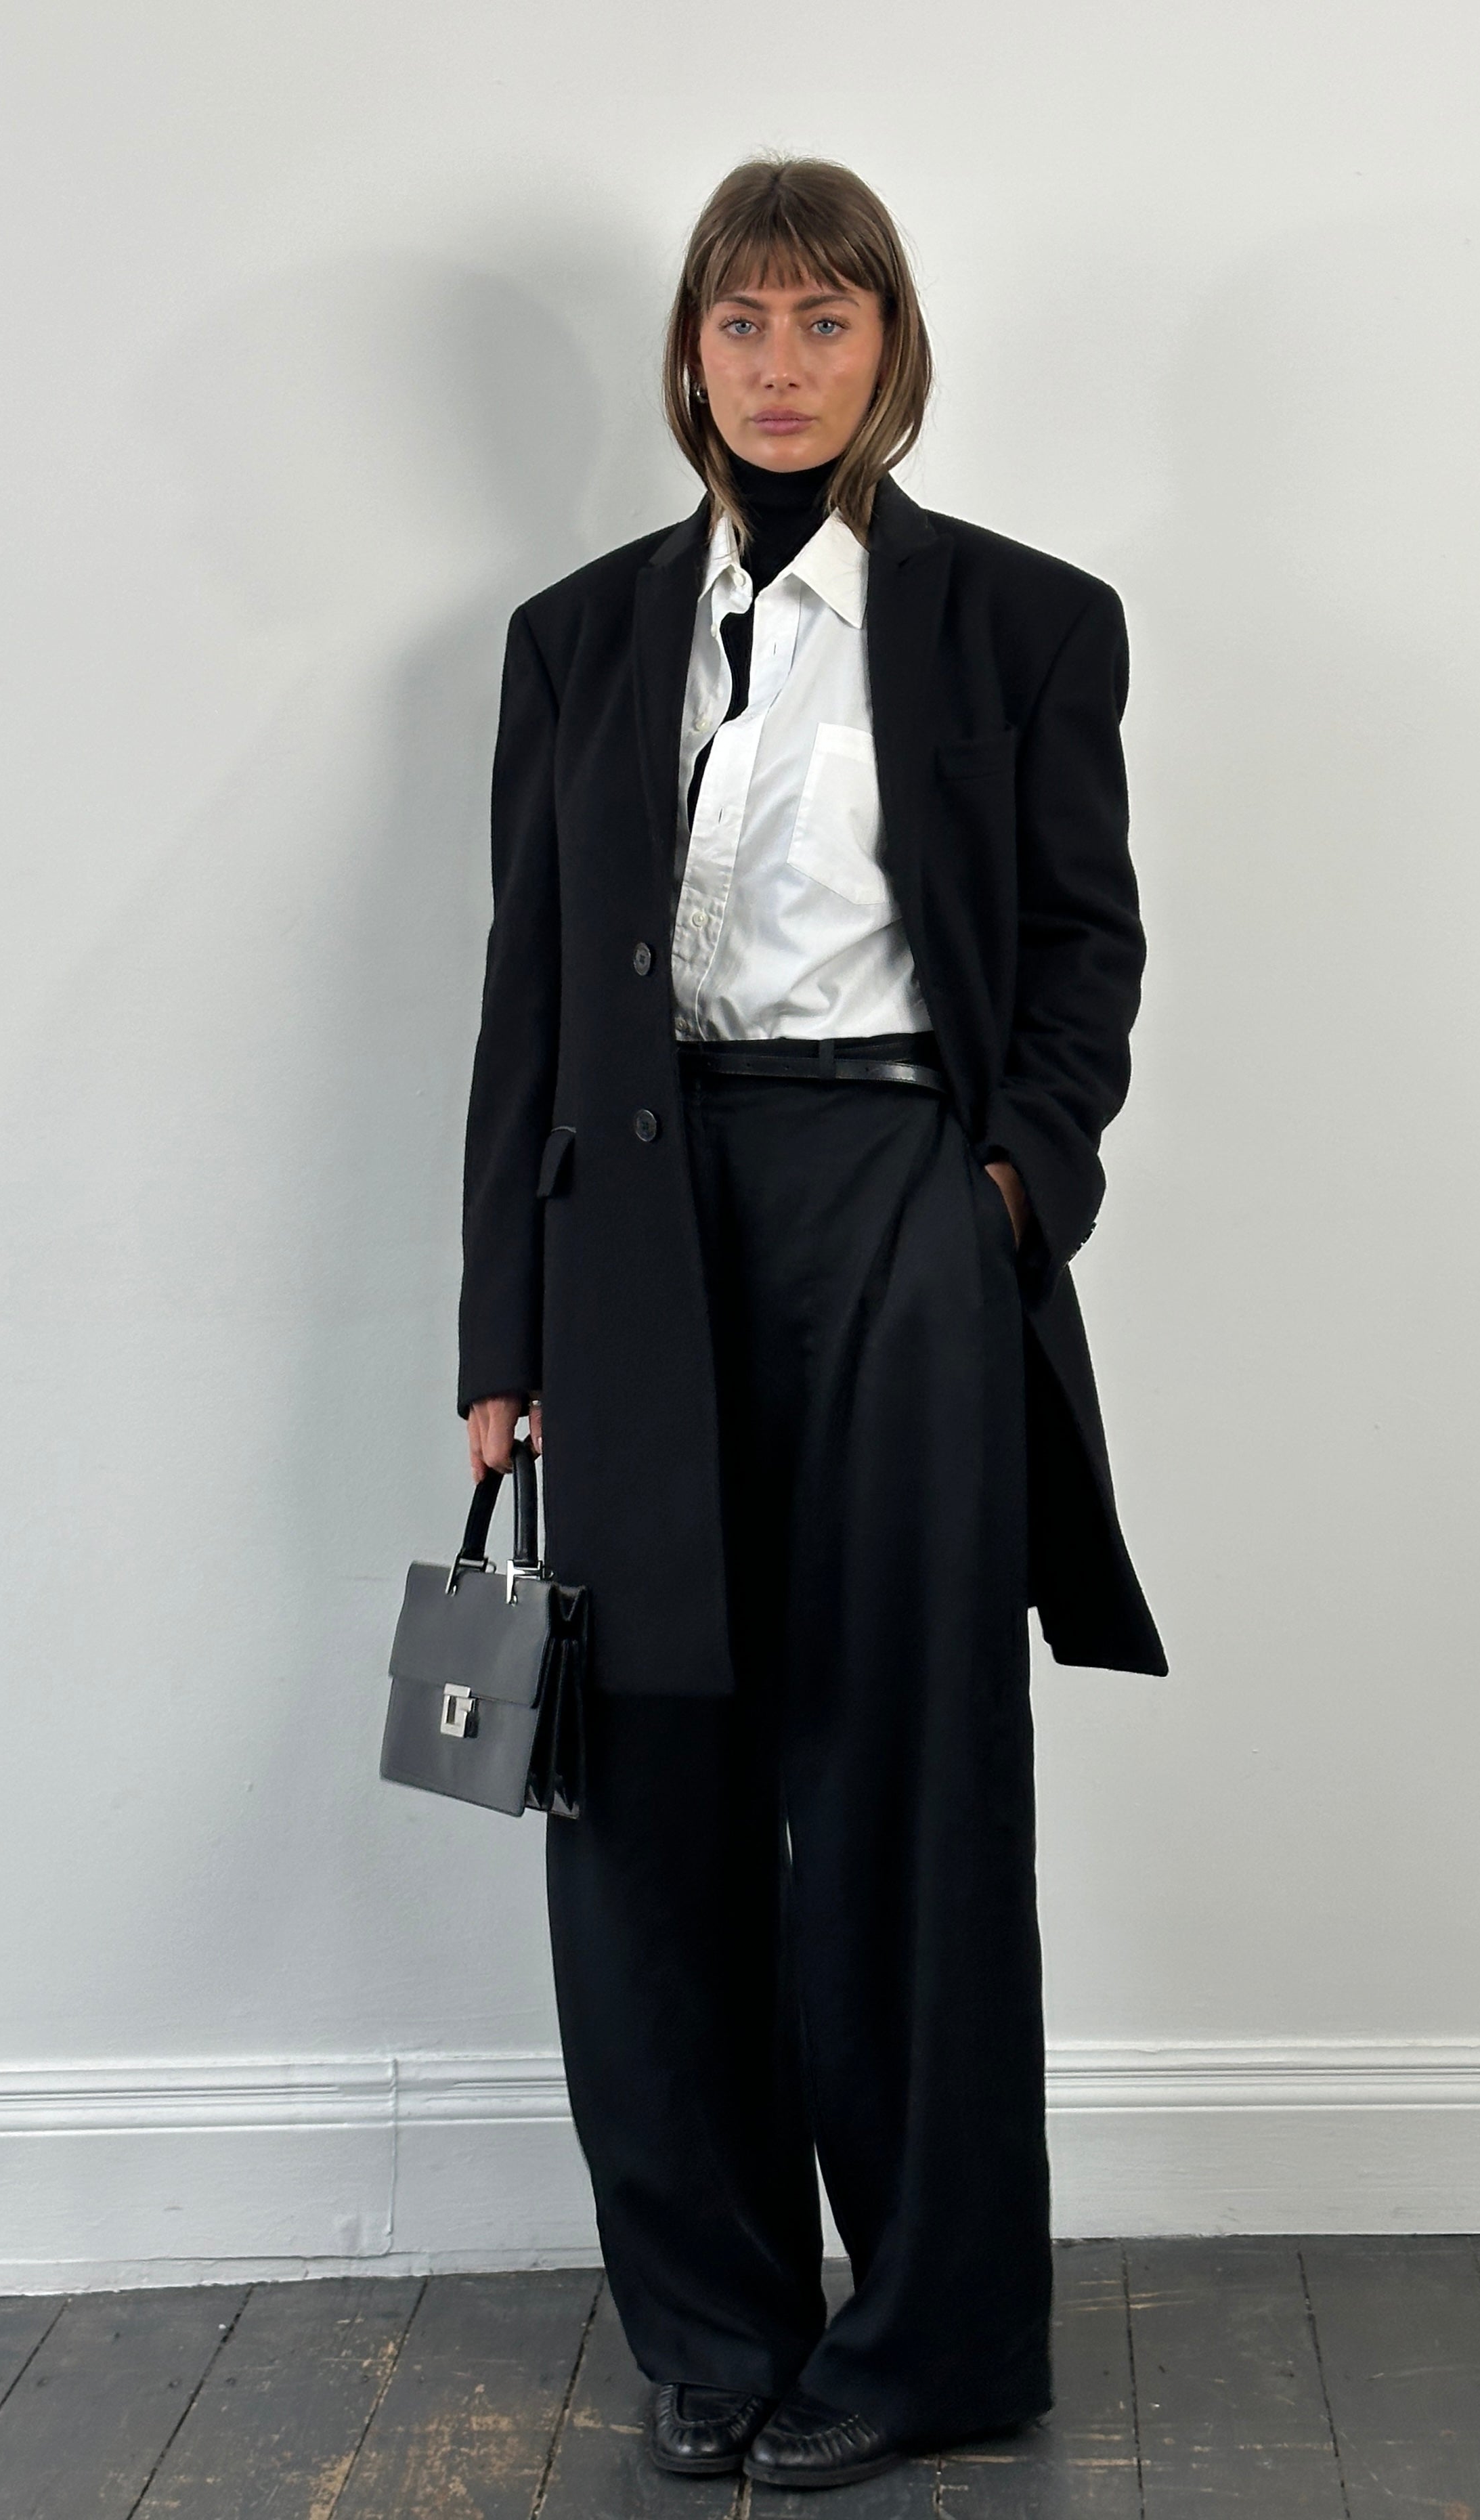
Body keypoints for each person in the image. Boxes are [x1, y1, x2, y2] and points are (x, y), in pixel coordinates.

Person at [456, 154, 1165, 2493]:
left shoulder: (1024, 622)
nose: (780, 364)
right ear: (690, 353)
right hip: (633, 1240)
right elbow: (527, 1002)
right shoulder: (577, 638)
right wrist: (500, 1331)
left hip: (897, 1210)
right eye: (742, 322)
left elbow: (1084, 954)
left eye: (824, 320)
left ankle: (940, 2340)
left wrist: (1003, 1196)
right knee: (642, 1806)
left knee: (904, 1795)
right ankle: (713, 2325)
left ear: (891, 346)